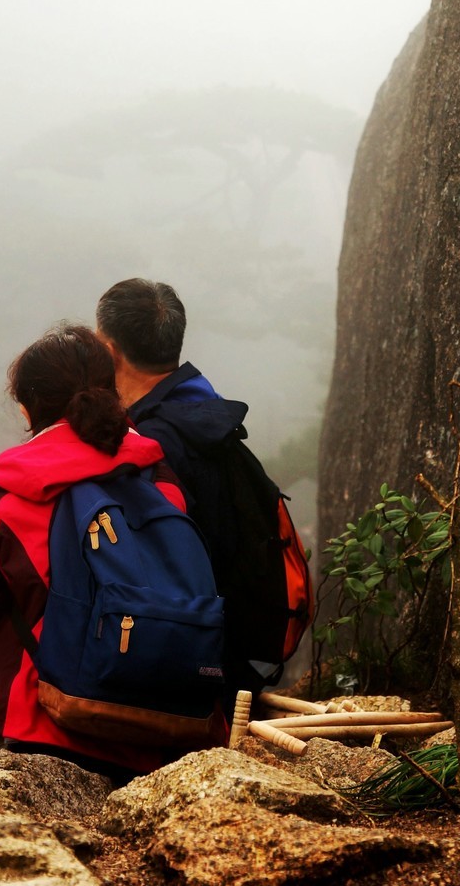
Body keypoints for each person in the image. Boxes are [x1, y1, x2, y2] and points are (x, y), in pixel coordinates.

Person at [0, 323, 213, 781]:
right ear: (110, 392)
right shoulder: (157, 478)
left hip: (32, 723)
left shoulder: (8, 497)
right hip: (152, 730)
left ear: (27, 409)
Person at [95, 278, 309, 696]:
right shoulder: (208, 418)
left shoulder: (147, 447)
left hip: (185, 671)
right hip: (232, 654)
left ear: (108, 351)